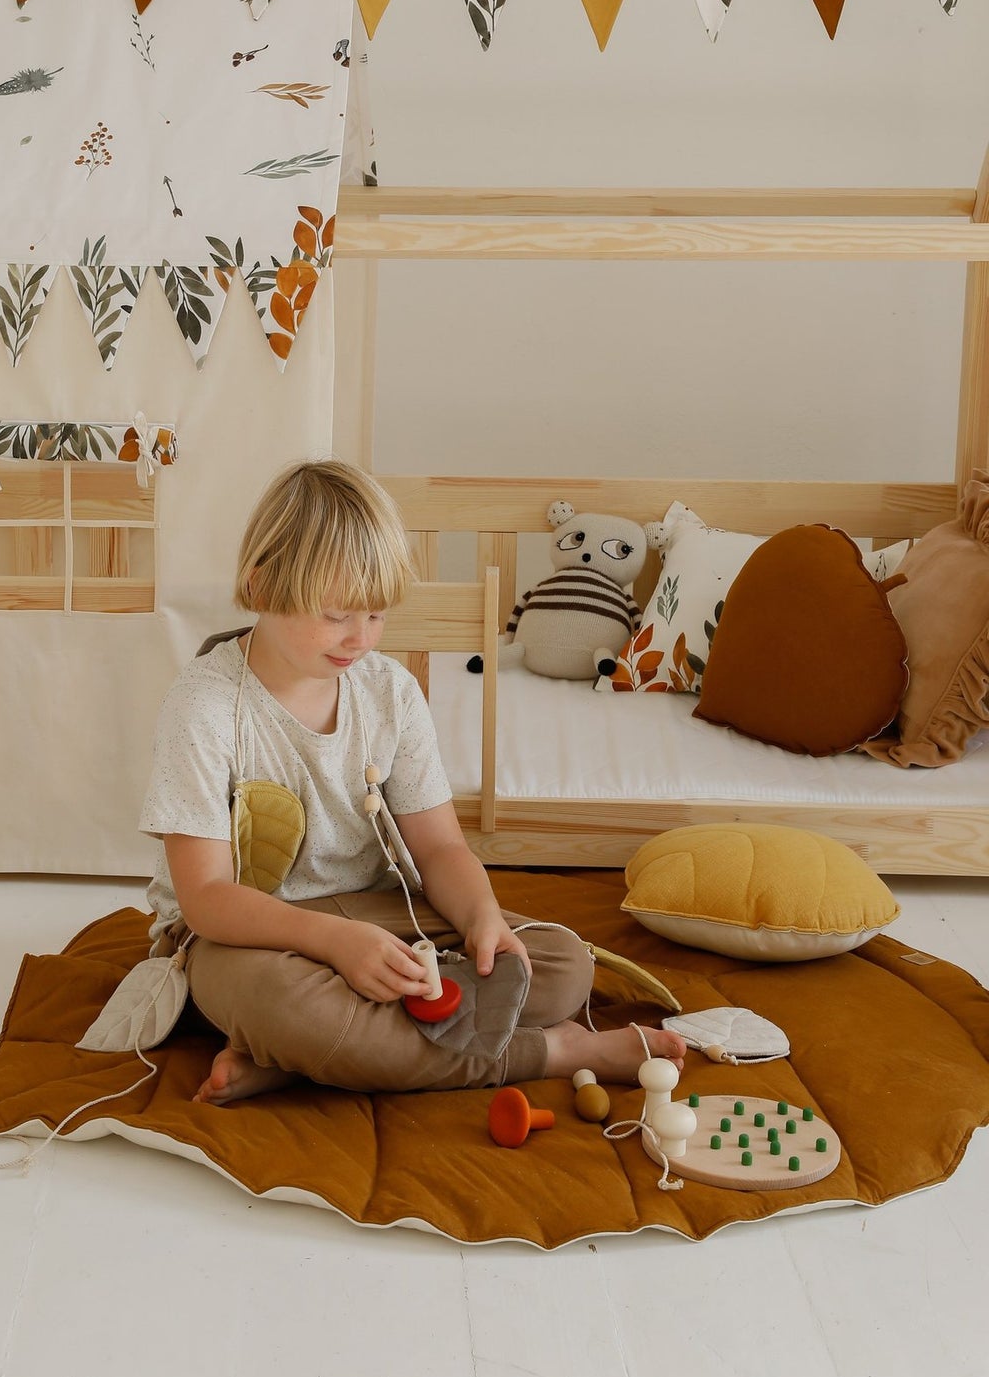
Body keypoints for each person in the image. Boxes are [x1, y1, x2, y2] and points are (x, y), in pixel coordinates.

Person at [140, 459, 686, 1105]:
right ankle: (556, 1050)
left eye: (375, 615)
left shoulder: (389, 692)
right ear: (260, 587)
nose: (359, 638)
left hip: (380, 911)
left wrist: (483, 918)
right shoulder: (203, 704)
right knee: (285, 1005)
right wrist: (335, 943)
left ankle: (300, 1060)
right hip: (247, 935)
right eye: (337, 613)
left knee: (562, 968)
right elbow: (205, 896)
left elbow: (440, 851)